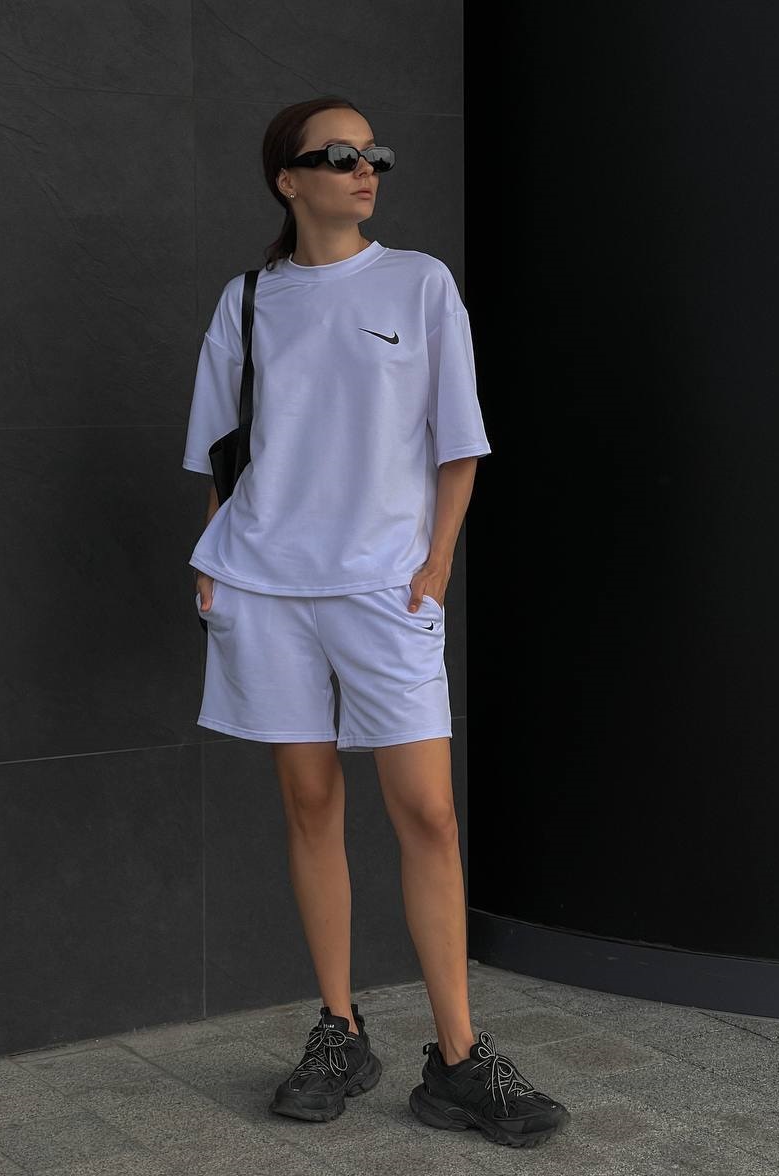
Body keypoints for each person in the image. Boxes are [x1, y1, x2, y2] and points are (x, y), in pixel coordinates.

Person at [181, 96, 571, 1148]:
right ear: (289, 179)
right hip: (266, 585)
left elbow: (459, 441)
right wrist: (213, 557)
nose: (367, 170)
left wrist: (435, 566)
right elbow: (227, 447)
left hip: (386, 588)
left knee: (428, 814)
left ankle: (458, 1059)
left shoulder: (420, 283)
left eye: (375, 155)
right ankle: (340, 1030)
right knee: (310, 801)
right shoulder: (250, 299)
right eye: (341, 154)